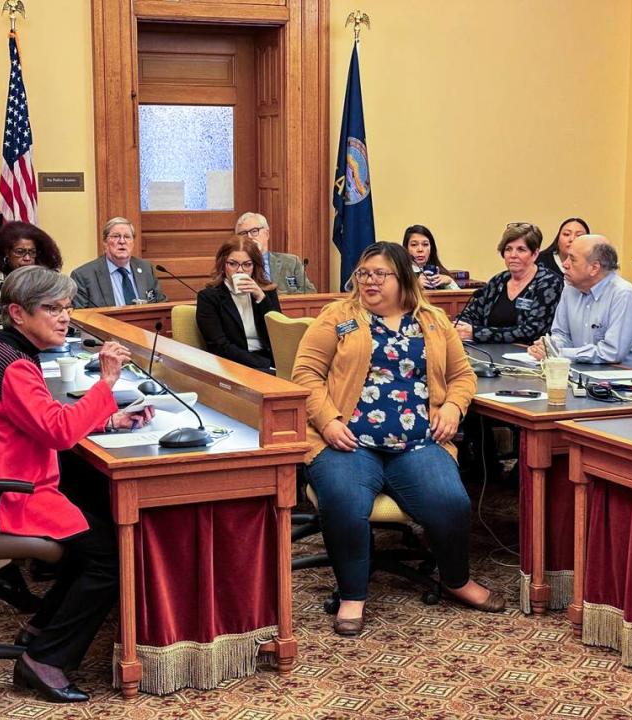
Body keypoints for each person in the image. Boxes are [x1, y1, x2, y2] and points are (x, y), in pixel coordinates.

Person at [0, 266, 153, 702]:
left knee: (96, 529)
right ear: (19, 313)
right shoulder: (14, 366)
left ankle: (40, 627)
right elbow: (57, 432)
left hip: (7, 478)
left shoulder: (5, 350)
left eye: (67, 307)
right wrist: (108, 384)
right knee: (109, 555)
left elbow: (39, 423)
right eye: (52, 309)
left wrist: (109, 416)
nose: (64, 317)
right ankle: (45, 659)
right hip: (3, 492)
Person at [292, 242, 504, 637]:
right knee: (344, 501)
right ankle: (352, 594)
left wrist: (454, 408)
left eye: (380, 274)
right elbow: (305, 375)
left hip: (418, 442)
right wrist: (328, 420)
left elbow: (463, 376)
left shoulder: (435, 320)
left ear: (403, 278)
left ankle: (456, 580)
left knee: (452, 503)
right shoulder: (336, 317)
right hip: (347, 440)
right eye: (363, 273)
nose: (369, 281)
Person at [528, 234, 632, 364]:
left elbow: (612, 353)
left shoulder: (623, 294)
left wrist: (559, 353)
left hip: (625, 376)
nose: (565, 264)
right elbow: (562, 334)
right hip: (585, 370)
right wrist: (549, 346)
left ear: (594, 268)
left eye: (572, 259)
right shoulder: (570, 289)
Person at [455, 223, 563, 343]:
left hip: (529, 355)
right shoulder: (498, 280)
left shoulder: (549, 283)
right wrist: (460, 328)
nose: (513, 255)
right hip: (488, 352)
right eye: (508, 249)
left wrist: (477, 333)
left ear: (535, 254)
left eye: (521, 250)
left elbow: (532, 331)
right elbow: (470, 314)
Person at [196, 236, 281, 371]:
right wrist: (263, 364)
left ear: (255, 266)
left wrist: (260, 298)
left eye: (247, 264)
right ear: (223, 265)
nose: (240, 270)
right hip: (234, 364)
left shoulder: (267, 292)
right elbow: (219, 346)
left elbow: (279, 335)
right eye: (233, 264)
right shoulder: (209, 298)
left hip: (271, 361)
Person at [0, 221, 63, 339]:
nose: (27, 258)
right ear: (7, 253)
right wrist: (22, 330)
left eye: (32, 252)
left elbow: (59, 320)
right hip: (2, 346)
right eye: (20, 252)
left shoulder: (44, 282)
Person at [70, 217, 166, 308]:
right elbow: (79, 319)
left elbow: (160, 305)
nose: (122, 241)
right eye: (116, 236)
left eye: (127, 237)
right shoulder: (83, 276)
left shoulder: (146, 268)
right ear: (105, 242)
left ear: (133, 242)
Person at [235, 211, 317, 294]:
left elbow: (310, 292)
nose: (249, 237)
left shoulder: (291, 262)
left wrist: (278, 298)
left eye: (254, 231)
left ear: (266, 234)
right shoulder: (234, 266)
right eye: (243, 234)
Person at [402, 224, 459, 290]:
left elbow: (462, 299)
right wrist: (415, 287)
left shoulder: (440, 272)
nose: (420, 249)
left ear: (431, 248)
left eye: (425, 244)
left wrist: (449, 281)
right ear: (406, 248)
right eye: (414, 245)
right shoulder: (401, 273)